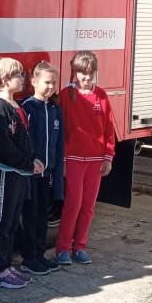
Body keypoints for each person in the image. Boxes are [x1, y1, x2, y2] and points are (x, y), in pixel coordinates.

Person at [0, 57, 44, 288]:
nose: (23, 79)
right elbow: (4, 146)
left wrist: (33, 159)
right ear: (3, 79)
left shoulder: (16, 106)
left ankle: (8, 264)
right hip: (6, 173)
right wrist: (25, 164)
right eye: (18, 75)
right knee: (2, 220)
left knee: (12, 221)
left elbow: (24, 140)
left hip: (20, 172)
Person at [55, 50, 116, 266]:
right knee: (73, 203)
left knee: (89, 205)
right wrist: (60, 159)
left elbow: (109, 129)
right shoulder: (65, 96)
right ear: (75, 73)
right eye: (82, 74)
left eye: (90, 74)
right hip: (72, 159)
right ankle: (62, 248)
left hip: (95, 160)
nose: (86, 78)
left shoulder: (101, 96)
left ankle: (79, 246)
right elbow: (59, 131)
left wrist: (108, 156)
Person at [21, 61, 65, 274]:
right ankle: (28, 258)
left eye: (53, 82)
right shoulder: (28, 108)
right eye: (46, 82)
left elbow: (59, 143)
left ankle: (39, 255)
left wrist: (56, 169)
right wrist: (32, 160)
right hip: (31, 174)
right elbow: (24, 140)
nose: (50, 87)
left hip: (47, 173)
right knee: (30, 216)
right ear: (34, 82)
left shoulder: (55, 109)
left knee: (42, 217)